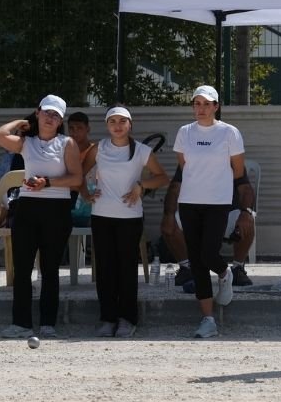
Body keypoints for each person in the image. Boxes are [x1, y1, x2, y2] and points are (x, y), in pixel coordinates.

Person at [0, 95, 82, 339]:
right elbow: (0, 135)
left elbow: (76, 178)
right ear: (38, 112)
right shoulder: (26, 142)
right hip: (27, 208)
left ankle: (47, 323)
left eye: (56, 115)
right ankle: (21, 323)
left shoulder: (67, 144)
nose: (50, 118)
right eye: (47, 113)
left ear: (61, 119)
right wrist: (20, 122)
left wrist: (48, 182)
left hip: (57, 209)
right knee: (22, 267)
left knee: (50, 268)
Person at [81, 106, 169, 337]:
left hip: (130, 217)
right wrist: (86, 194)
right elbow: (79, 173)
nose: (117, 125)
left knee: (127, 269)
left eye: (122, 121)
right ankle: (108, 318)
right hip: (101, 215)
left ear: (130, 124)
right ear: (107, 125)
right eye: (112, 121)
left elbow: (162, 177)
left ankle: (128, 319)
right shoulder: (98, 148)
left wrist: (141, 186)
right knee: (105, 269)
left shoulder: (141, 151)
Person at [171, 85, 251, 338]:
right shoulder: (184, 132)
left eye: (206, 104)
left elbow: (238, 170)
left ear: (216, 106)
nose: (201, 108)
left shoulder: (229, 133)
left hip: (218, 203)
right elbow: (185, 166)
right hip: (189, 203)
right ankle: (208, 319)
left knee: (208, 253)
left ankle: (225, 272)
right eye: (197, 103)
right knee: (196, 261)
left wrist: (241, 205)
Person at [161, 164, 256, 290]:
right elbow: (174, 188)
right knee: (170, 223)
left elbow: (246, 189)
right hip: (194, 214)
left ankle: (237, 268)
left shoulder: (231, 158)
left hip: (226, 212)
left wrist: (246, 213)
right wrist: (169, 214)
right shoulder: (190, 157)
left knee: (248, 221)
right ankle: (186, 268)